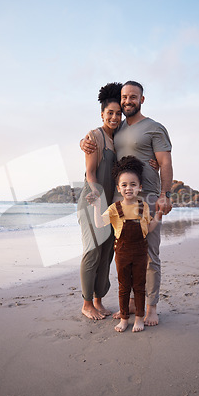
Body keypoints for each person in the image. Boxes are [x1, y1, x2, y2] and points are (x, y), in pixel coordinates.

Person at [81, 81, 173, 326]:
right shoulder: (117, 128)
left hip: (149, 197)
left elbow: (165, 163)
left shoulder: (154, 128)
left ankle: (151, 308)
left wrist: (165, 194)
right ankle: (132, 302)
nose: (128, 100)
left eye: (134, 96)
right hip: (120, 201)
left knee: (150, 254)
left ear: (142, 99)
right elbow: (99, 139)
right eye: (124, 97)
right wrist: (84, 142)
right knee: (124, 253)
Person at [92, 156, 162, 332]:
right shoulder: (115, 208)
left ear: (140, 187)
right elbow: (100, 224)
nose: (128, 188)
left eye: (132, 184)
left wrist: (159, 216)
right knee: (123, 287)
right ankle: (124, 318)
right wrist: (96, 205)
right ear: (118, 188)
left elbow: (149, 228)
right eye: (124, 185)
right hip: (122, 252)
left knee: (139, 286)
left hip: (140, 252)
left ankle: (139, 318)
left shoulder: (143, 206)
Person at [77, 82, 123, 320]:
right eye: (110, 113)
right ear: (102, 114)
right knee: (93, 251)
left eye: (118, 113)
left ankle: (98, 301)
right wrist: (98, 204)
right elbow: (91, 174)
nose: (114, 117)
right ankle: (86, 304)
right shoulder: (94, 136)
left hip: (111, 205)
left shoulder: (118, 139)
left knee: (107, 253)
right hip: (92, 200)